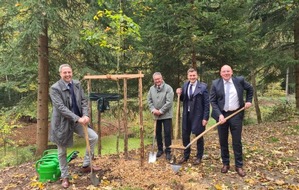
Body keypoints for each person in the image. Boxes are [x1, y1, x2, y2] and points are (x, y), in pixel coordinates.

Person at [49, 64, 100, 188]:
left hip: (79, 120)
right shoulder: (55, 88)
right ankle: (64, 176)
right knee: (62, 151)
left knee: (93, 137)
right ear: (60, 74)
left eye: (69, 72)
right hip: (62, 123)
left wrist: (86, 115)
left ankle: (86, 165)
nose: (67, 75)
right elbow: (61, 108)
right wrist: (78, 119)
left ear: (72, 72)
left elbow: (83, 101)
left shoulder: (77, 84)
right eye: (65, 73)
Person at [209, 64, 253, 177]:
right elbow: (212, 101)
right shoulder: (215, 84)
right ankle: (226, 163)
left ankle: (239, 165)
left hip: (236, 114)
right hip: (222, 116)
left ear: (232, 72)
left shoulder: (239, 80)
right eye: (224, 71)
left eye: (228, 71)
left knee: (236, 141)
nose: (226, 73)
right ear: (220, 73)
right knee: (223, 140)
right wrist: (219, 115)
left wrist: (249, 101)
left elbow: (250, 89)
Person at [176, 68, 210, 165]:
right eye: (190, 76)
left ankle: (199, 156)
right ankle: (186, 155)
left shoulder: (203, 87)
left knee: (199, 137)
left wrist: (205, 118)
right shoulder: (186, 85)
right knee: (185, 136)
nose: (192, 77)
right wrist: (179, 93)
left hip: (198, 116)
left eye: (194, 75)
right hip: (186, 115)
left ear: (197, 76)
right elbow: (183, 99)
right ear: (188, 76)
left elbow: (206, 104)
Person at [147, 72, 174, 161]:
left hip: (166, 115)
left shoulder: (168, 88)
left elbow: (169, 102)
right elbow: (149, 101)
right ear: (154, 80)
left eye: (159, 79)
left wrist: (161, 111)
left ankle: (168, 151)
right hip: (156, 115)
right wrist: (153, 110)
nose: (157, 81)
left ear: (161, 78)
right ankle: (160, 149)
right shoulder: (151, 89)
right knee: (158, 133)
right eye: (155, 79)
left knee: (167, 133)